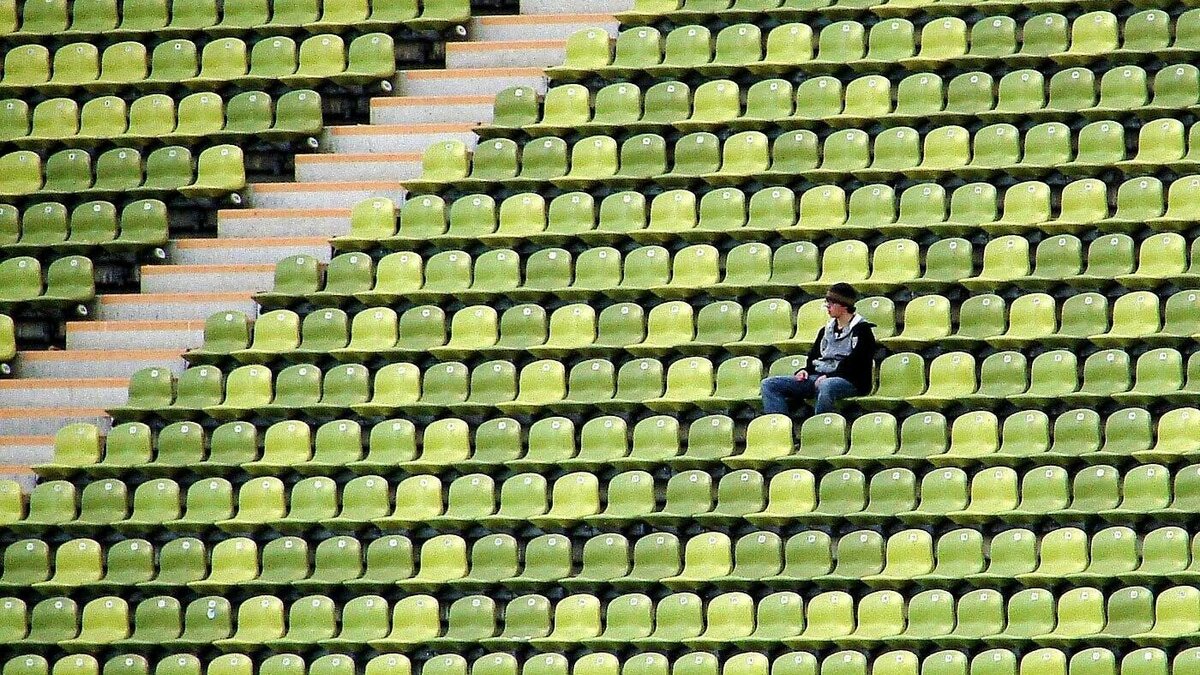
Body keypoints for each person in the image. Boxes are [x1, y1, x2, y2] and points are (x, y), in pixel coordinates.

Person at [760, 283, 877, 416]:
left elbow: (858, 365)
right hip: (819, 376)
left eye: (831, 303)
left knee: (826, 385)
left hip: (850, 381)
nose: (827, 306)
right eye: (827, 302)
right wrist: (804, 370)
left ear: (844, 305)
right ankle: (781, 425)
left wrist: (829, 376)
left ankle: (820, 424)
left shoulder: (863, 331)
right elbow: (814, 357)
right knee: (769, 384)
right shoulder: (825, 331)